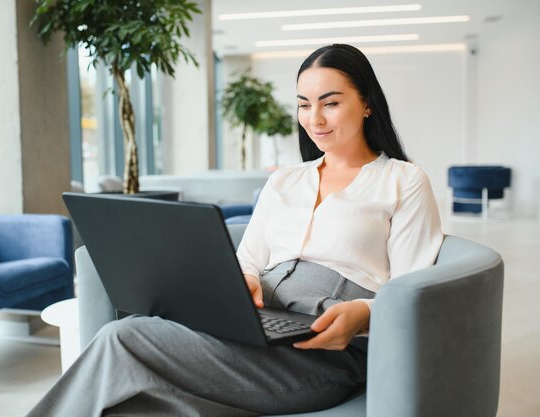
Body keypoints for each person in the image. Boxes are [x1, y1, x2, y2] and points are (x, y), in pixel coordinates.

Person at [26, 44, 443, 417]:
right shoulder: (285, 181)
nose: (313, 118)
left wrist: (365, 313)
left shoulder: (403, 181)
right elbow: (250, 258)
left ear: (367, 103)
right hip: (259, 328)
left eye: (329, 103)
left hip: (327, 352)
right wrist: (245, 281)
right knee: (134, 404)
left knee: (125, 337)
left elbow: (413, 289)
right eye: (302, 104)